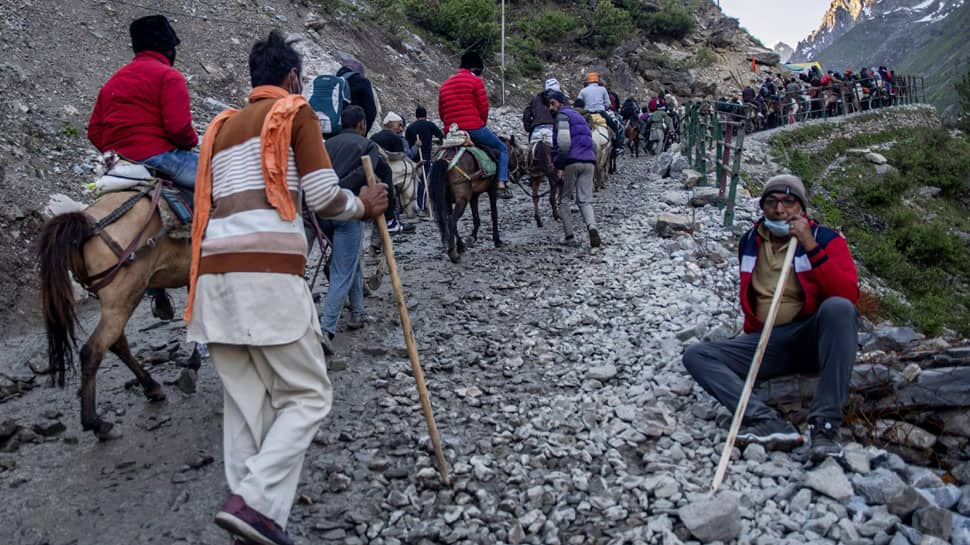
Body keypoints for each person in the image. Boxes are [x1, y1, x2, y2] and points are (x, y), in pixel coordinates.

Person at [185, 31, 388, 545]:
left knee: (245, 403)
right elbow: (321, 196)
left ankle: (244, 513)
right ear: (293, 79)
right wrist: (363, 204)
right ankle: (256, 506)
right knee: (309, 394)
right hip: (266, 277)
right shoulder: (294, 113)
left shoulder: (222, 127)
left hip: (212, 280)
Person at [682, 175, 859, 463]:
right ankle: (767, 422)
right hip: (769, 342)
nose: (780, 210)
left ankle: (825, 427)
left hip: (810, 336)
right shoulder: (750, 241)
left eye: (789, 202)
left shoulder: (826, 239)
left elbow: (847, 294)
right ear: (762, 206)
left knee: (838, 308)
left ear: (801, 207)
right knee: (697, 355)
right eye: (772, 202)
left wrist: (810, 245)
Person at [87, 14, 198, 322]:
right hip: (160, 157)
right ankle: (213, 254)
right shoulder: (168, 76)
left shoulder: (113, 81)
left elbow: (94, 131)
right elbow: (179, 129)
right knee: (217, 181)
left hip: (120, 165)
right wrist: (190, 141)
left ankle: (155, 288)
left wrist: (121, 151)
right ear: (168, 48)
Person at [319, 105, 391, 358]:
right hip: (349, 210)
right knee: (342, 270)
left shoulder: (326, 144)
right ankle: (326, 331)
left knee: (349, 262)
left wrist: (330, 193)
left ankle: (357, 312)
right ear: (361, 124)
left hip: (322, 211)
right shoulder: (367, 145)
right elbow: (368, 172)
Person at [438, 51, 511, 197]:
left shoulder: (444, 85)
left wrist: (449, 126)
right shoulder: (476, 81)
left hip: (452, 131)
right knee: (502, 148)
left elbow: (441, 111)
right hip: (473, 128)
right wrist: (481, 125)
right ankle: (502, 183)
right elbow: (483, 108)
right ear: (476, 69)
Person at [545, 91, 600, 248]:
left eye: (553, 103)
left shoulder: (562, 117)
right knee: (585, 199)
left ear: (560, 103)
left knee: (564, 200)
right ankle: (592, 227)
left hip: (571, 161)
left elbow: (563, 143)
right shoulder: (580, 117)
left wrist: (560, 165)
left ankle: (569, 236)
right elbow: (591, 141)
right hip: (589, 160)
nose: (551, 107)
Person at [370, 112, 416, 234]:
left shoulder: (374, 136)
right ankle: (393, 221)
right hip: (388, 172)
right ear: (390, 124)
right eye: (399, 125)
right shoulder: (396, 139)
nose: (401, 128)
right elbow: (401, 157)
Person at [405, 106, 444, 215]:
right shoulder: (429, 125)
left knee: (414, 183)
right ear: (425, 115)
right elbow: (441, 136)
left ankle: (414, 206)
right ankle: (422, 206)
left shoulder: (410, 128)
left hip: (413, 160)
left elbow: (407, 145)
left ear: (416, 115)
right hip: (425, 158)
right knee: (424, 182)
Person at [577, 73, 623, 157]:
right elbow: (608, 104)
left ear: (588, 81)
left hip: (587, 114)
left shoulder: (583, 91)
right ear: (597, 80)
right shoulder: (602, 89)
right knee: (615, 128)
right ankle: (617, 147)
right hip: (601, 113)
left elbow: (578, 104)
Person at [337, 57, 378, 134]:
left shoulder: (335, 81)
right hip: (351, 130)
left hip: (329, 128)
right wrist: (363, 134)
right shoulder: (362, 82)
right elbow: (371, 111)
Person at [523, 78, 561, 145]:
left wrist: (529, 127)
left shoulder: (536, 98)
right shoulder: (560, 99)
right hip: (553, 130)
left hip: (537, 130)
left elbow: (526, 113)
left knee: (532, 153)